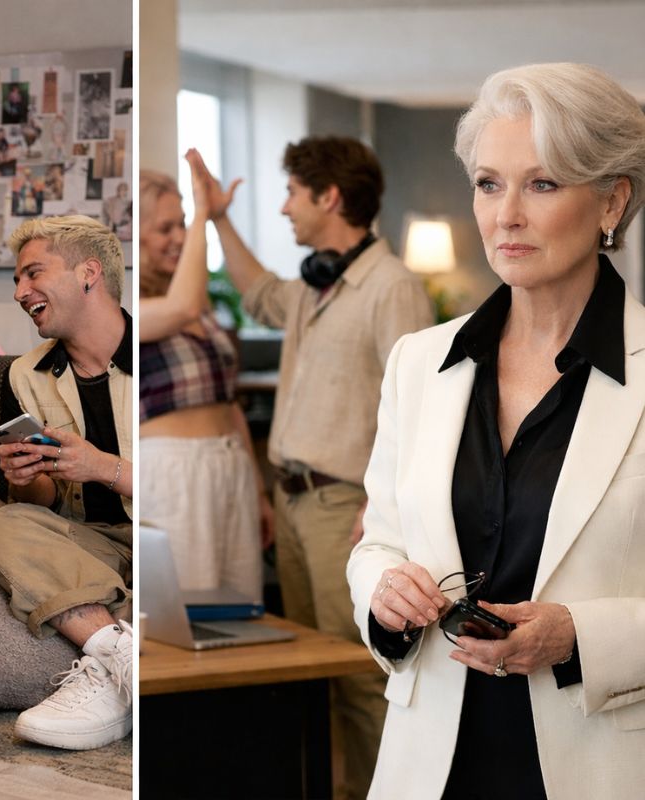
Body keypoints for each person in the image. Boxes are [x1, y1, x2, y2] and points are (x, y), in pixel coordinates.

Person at [347, 62, 645, 799]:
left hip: (598, 766)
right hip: (430, 763)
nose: (505, 215)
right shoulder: (419, 362)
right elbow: (379, 542)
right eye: (488, 183)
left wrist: (578, 635)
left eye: (541, 184)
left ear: (612, 201)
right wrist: (382, 593)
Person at [194, 138, 432, 799]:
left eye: (292, 193)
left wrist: (382, 504)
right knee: (311, 670)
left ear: (329, 196)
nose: (284, 207)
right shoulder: (313, 284)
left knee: (358, 674)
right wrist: (218, 218)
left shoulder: (393, 288)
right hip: (295, 500)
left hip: (345, 507)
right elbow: (259, 293)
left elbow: (420, 407)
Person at [0, 215, 132, 751]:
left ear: (89, 273)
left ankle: (104, 673)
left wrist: (103, 468)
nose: (20, 292)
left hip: (163, 539)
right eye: (17, 279)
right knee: (3, 524)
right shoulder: (24, 374)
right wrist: (25, 479)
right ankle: (121, 652)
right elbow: (39, 507)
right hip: (90, 544)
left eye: (33, 273)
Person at [139, 152, 270, 601]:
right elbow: (182, 308)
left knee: (242, 606)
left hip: (230, 464)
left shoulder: (203, 307)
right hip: (174, 473)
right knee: (186, 609)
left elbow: (228, 404)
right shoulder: (133, 311)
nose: (178, 237)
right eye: (165, 228)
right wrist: (201, 214)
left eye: (182, 224)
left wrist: (258, 491)